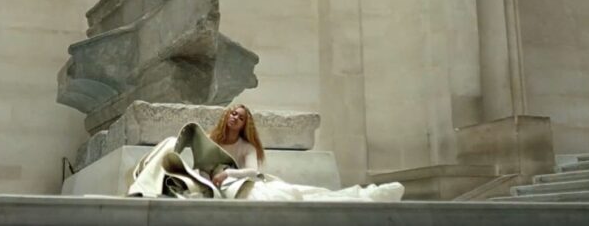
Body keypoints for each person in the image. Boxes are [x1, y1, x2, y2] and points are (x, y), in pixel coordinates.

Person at [127, 104, 404, 201]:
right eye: (233, 113)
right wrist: (205, 179)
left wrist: (230, 173)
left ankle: (360, 196)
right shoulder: (212, 140)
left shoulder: (246, 146)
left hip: (244, 184)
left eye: (241, 117)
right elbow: (200, 164)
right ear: (227, 117)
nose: (236, 118)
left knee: (292, 194)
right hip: (215, 189)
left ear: (246, 124)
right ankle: (361, 196)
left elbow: (254, 170)